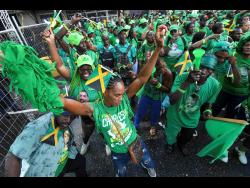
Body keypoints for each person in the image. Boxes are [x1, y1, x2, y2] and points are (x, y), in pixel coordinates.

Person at [59, 25, 167, 177]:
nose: (121, 98)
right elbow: (66, 103)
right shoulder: (94, 108)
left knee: (147, 161)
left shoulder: (123, 98)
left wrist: (157, 49)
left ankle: (149, 168)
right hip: (117, 151)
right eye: (116, 94)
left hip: (135, 142)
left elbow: (142, 77)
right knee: (120, 171)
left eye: (122, 93)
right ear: (105, 92)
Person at [165, 54, 221, 156]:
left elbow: (209, 102)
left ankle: (181, 144)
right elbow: (172, 100)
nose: (204, 71)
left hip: (192, 117)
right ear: (195, 66)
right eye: (202, 67)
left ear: (212, 71)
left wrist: (207, 111)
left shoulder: (215, 84)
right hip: (175, 115)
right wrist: (187, 82)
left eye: (209, 69)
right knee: (171, 134)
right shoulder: (182, 76)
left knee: (187, 136)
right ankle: (170, 144)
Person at [5, 111, 87, 177]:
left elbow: (70, 140)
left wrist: (72, 152)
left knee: (81, 161)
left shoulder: (65, 124)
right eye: (66, 115)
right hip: (46, 171)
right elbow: (14, 156)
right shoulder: (39, 126)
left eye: (73, 117)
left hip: (62, 162)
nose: (68, 120)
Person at [134, 58, 173, 138]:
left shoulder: (167, 73)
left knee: (155, 114)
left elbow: (168, 89)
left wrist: (158, 84)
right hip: (146, 93)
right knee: (140, 111)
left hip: (157, 97)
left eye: (155, 65)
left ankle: (153, 127)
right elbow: (139, 78)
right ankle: (134, 127)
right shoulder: (147, 68)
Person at [212, 38, 247, 118]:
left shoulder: (229, 64)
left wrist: (233, 65)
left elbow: (236, 82)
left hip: (220, 93)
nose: (221, 60)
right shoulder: (208, 60)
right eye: (218, 56)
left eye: (225, 58)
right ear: (214, 52)